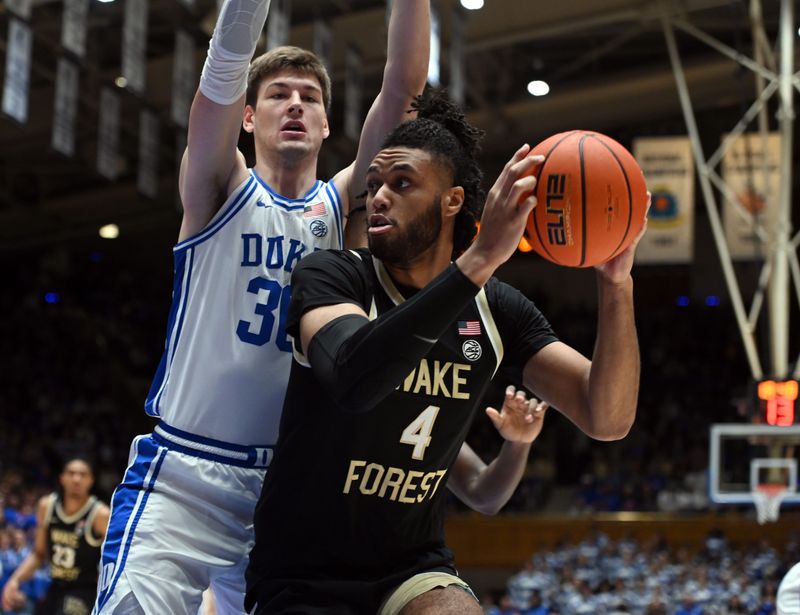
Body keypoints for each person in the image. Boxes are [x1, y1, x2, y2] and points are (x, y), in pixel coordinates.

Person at [245, 90, 644, 613]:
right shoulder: (333, 275)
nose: (380, 196)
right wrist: (478, 260)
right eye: (374, 185)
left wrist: (616, 283)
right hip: (302, 573)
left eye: (402, 182)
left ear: (452, 200)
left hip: (411, 567)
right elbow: (353, 377)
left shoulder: (498, 311)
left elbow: (607, 416)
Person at [93, 2, 434, 614]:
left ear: (330, 124)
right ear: (249, 117)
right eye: (279, 94)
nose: (297, 104)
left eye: (310, 96)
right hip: (186, 475)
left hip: (289, 488)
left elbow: (403, 87)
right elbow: (216, 84)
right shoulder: (218, 185)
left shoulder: (344, 211)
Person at [2, 458, 109, 615]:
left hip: (84, 590)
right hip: (55, 586)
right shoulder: (46, 506)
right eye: (71, 473)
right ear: (62, 478)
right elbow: (39, 554)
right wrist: (15, 580)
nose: (76, 478)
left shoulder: (100, 514)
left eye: (82, 474)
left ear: (91, 480)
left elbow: (113, 560)